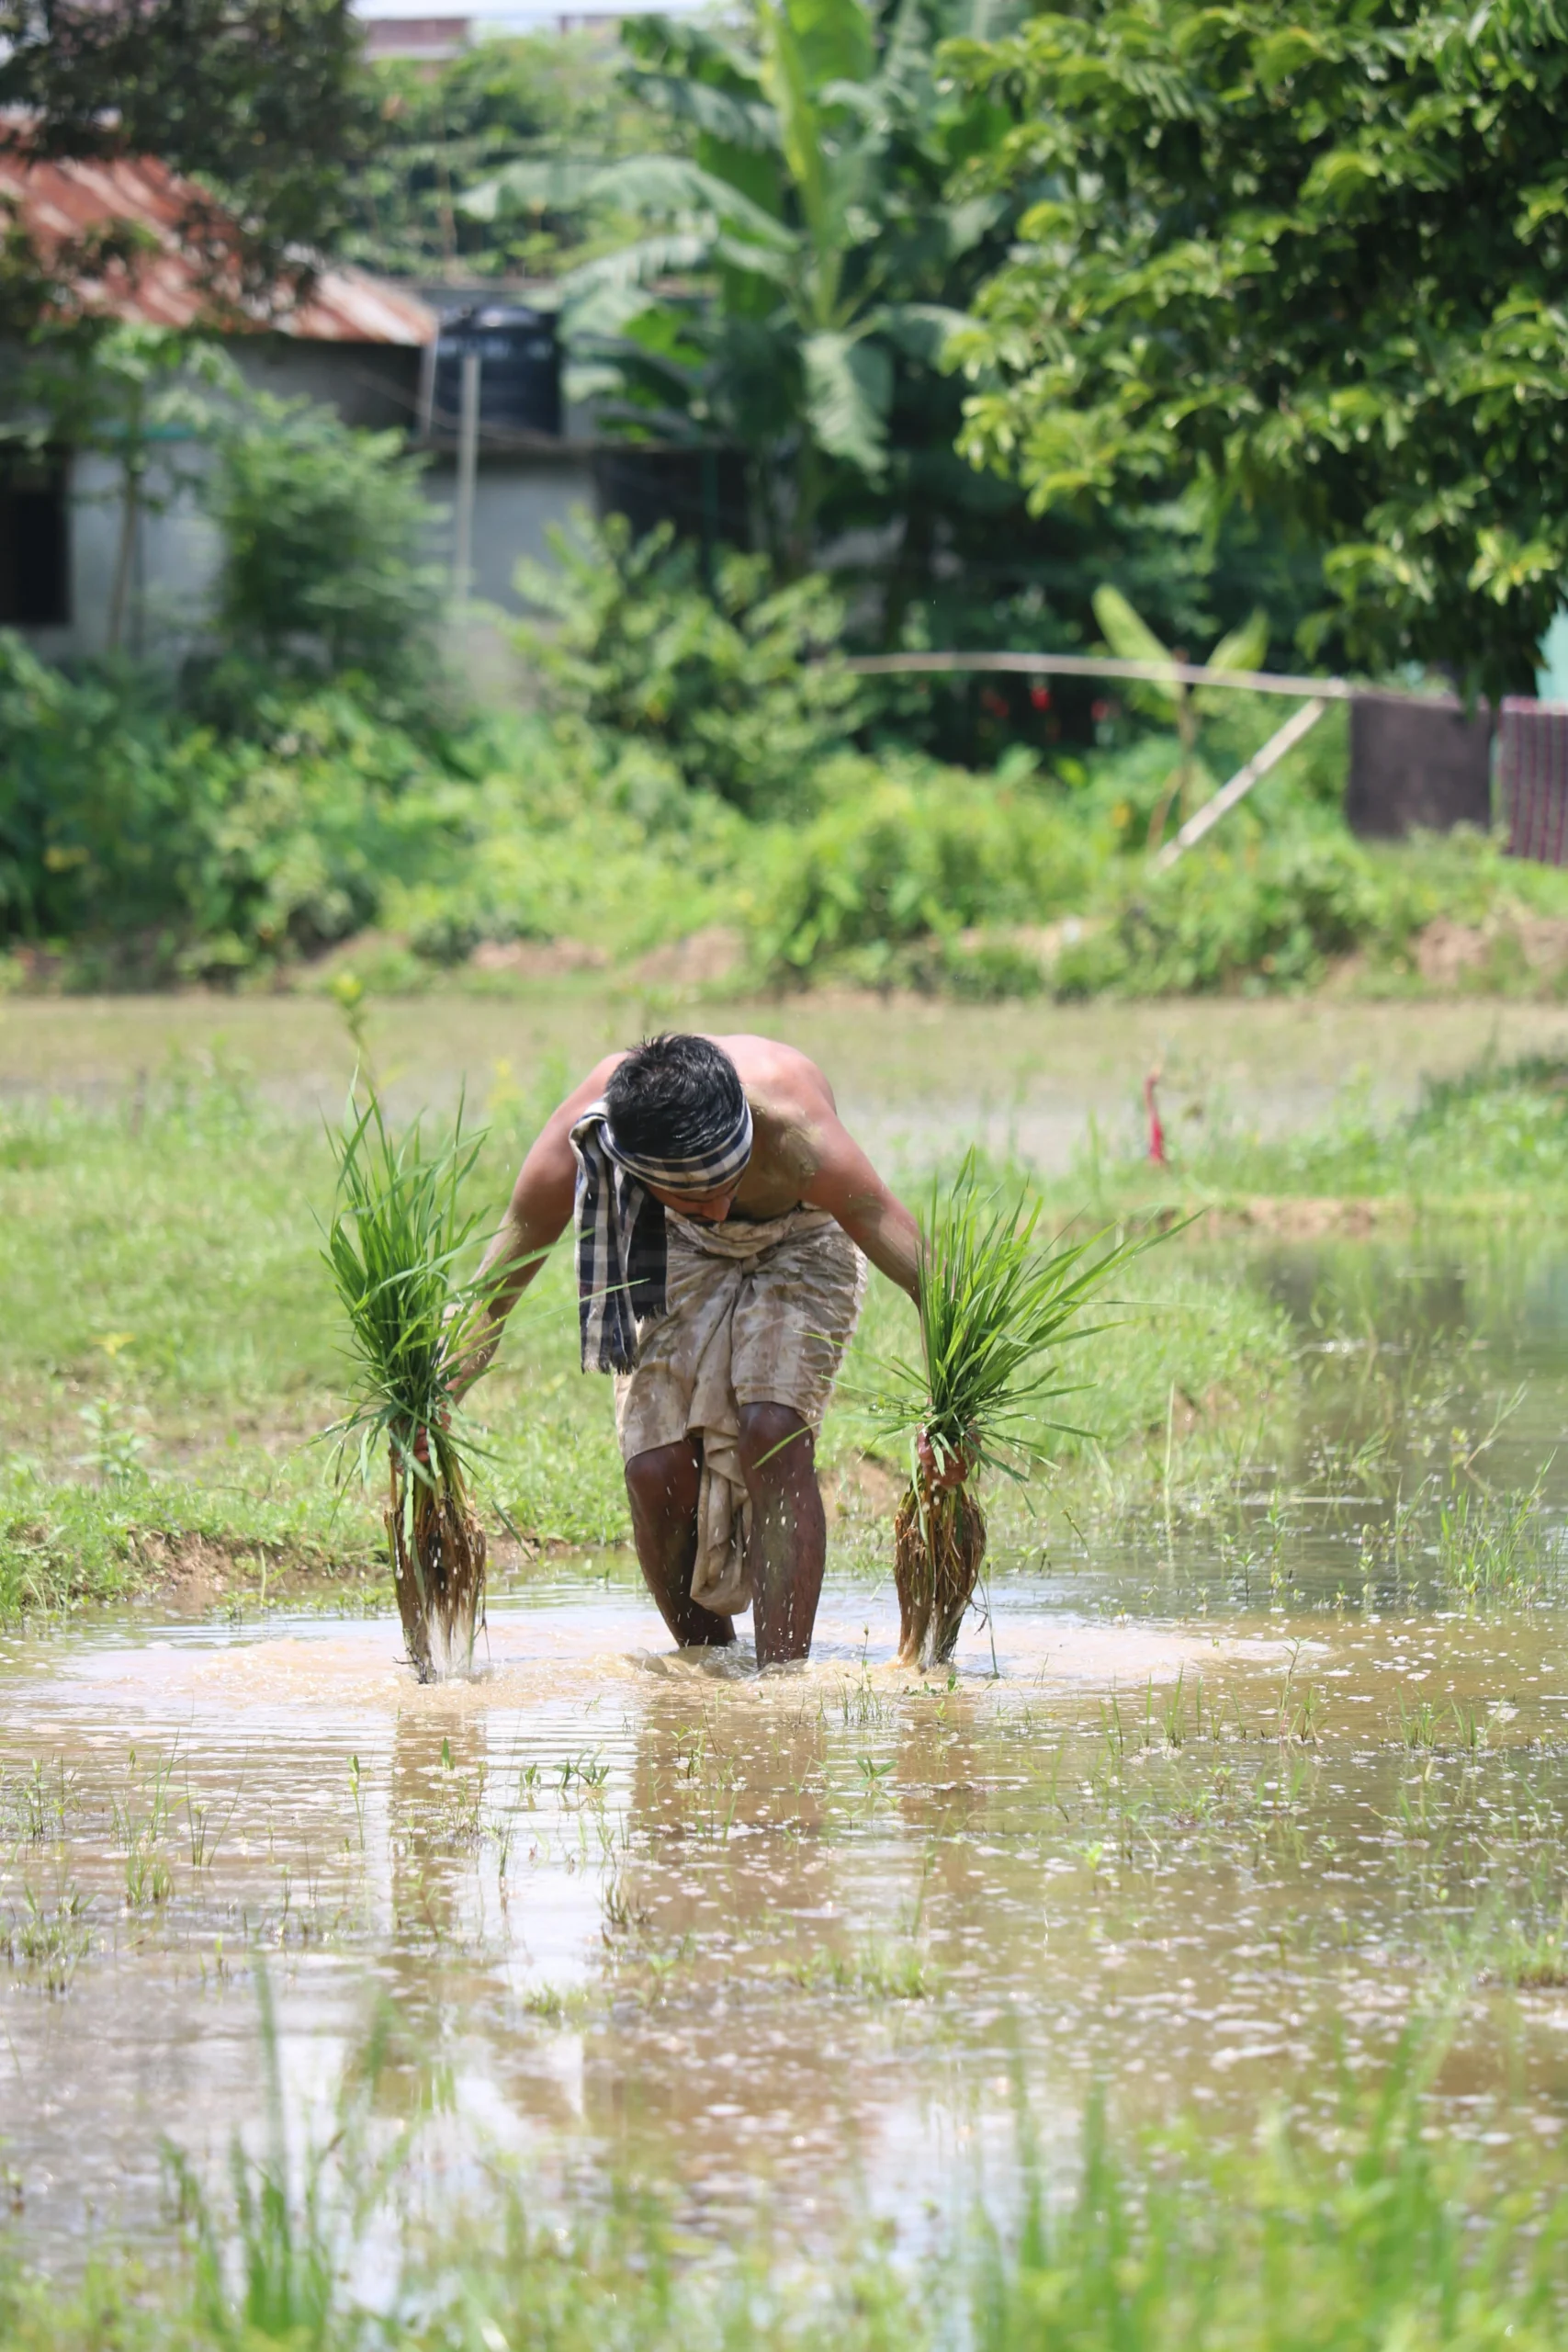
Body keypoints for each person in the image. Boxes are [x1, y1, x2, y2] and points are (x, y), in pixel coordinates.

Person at [452, 1032, 923, 1667]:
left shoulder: (793, 1127)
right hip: (668, 1239)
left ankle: (783, 1678)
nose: (721, 1205)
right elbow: (493, 1290)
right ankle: (708, 1668)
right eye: (700, 1195)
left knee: (772, 1428)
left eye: (729, 1183)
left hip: (801, 1236)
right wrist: (435, 1397)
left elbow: (923, 1270)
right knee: (653, 1469)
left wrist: (949, 1409)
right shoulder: (593, 1129)